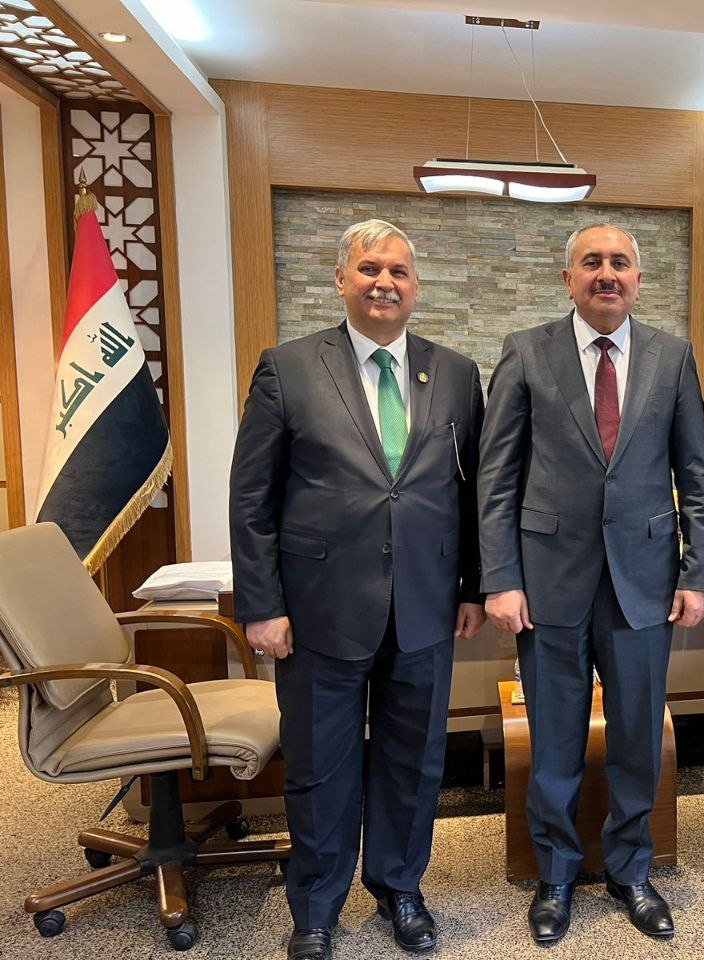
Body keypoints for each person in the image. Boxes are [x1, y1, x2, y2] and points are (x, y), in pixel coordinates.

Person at [230, 219, 485, 960]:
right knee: (320, 766)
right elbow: (252, 498)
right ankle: (315, 908)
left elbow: (473, 493)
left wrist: (472, 586)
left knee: (414, 762)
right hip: (319, 611)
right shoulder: (288, 368)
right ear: (341, 279)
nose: (385, 283)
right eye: (370, 269)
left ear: (416, 286)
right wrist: (262, 605)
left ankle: (401, 889)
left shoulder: (456, 373)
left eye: (399, 271)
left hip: (426, 608)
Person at [478, 223, 704, 946]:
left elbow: (696, 476)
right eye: (592, 262)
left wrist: (699, 572)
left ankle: (630, 870)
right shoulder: (527, 350)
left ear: (638, 280)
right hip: (546, 582)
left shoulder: (673, 356)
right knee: (553, 739)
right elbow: (497, 477)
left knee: (639, 738)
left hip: (643, 580)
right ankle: (555, 875)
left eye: (620, 263)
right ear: (568, 278)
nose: (606, 273)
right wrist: (500, 577)